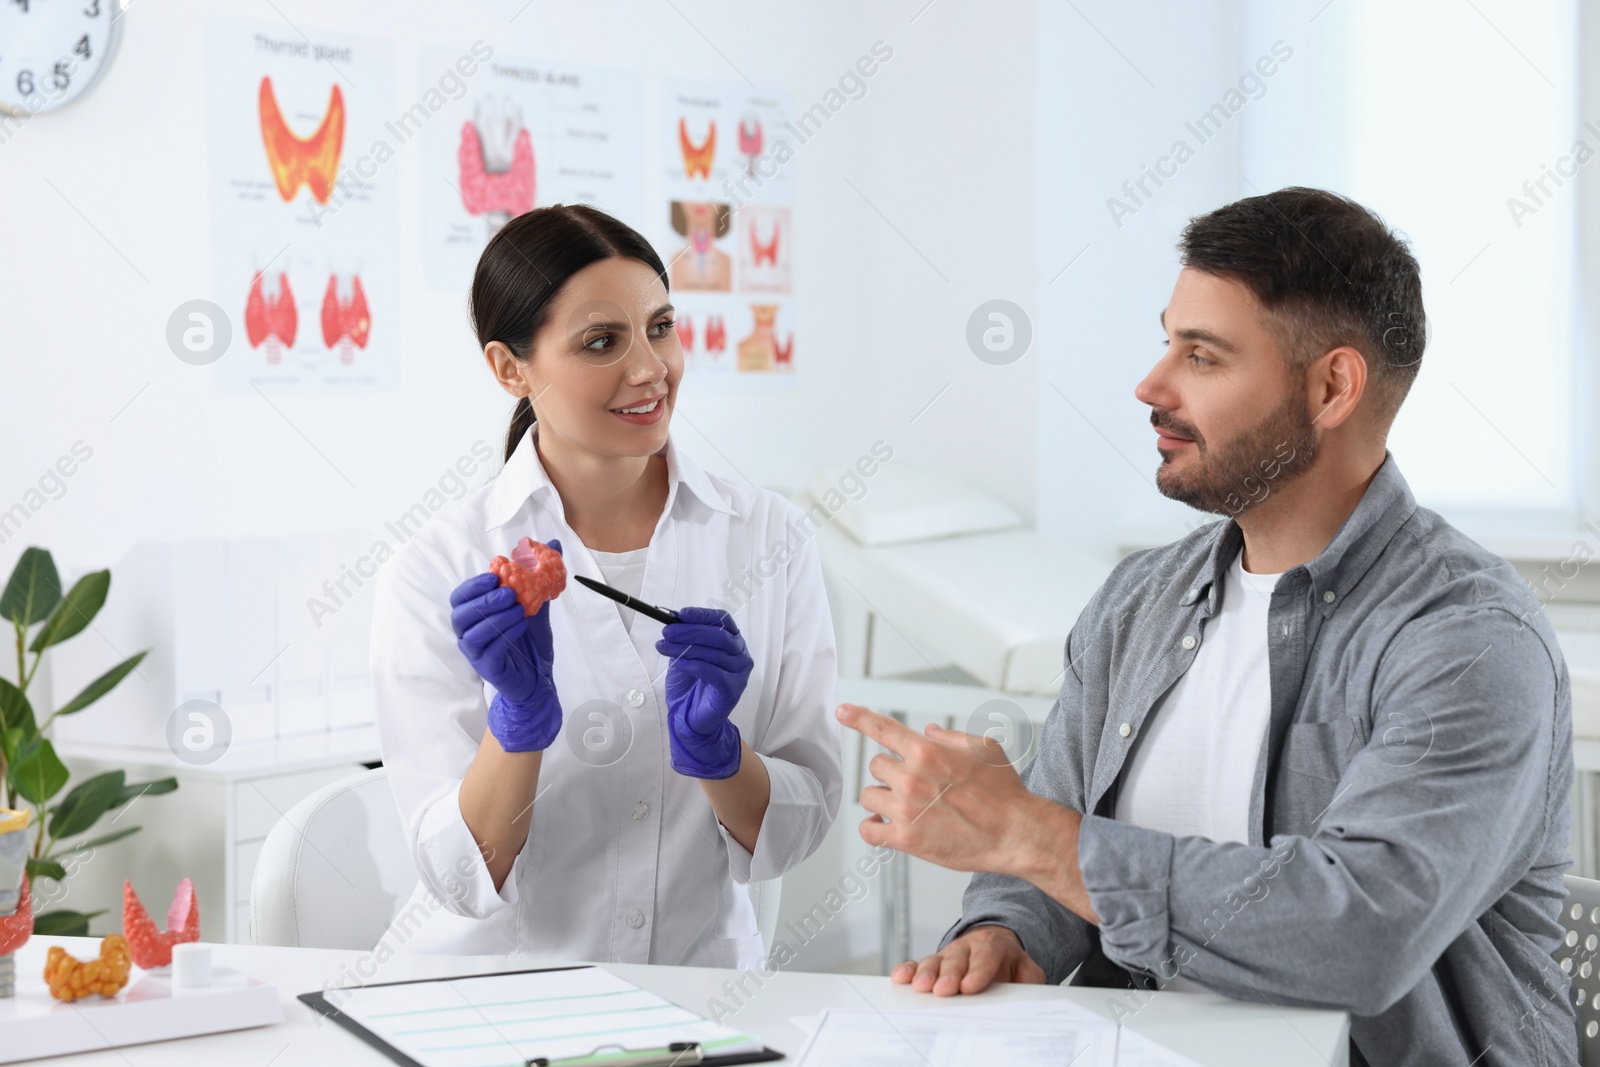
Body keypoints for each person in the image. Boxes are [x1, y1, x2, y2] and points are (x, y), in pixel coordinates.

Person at [838, 187, 1579, 1066]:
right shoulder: (1139, 602)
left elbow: (1359, 936)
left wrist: (1026, 833)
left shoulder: (1469, 641)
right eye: (1167, 340)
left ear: (1333, 386)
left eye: (1204, 355)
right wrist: (1009, 928)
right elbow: (1055, 842)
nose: (1152, 385)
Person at [370, 204, 841, 969]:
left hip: (695, 998)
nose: (650, 367)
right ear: (510, 368)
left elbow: (798, 828)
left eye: (660, 325)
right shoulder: (437, 566)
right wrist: (516, 725)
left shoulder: (770, 540)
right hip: (496, 1002)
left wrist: (721, 755)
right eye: (601, 342)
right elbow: (460, 878)